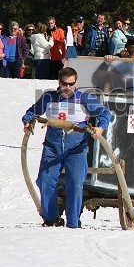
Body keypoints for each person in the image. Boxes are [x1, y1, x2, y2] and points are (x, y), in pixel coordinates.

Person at [22, 67, 111, 228]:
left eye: (71, 84)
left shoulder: (84, 99)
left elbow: (105, 113)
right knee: (45, 180)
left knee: (75, 182)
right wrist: (27, 121)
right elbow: (32, 112)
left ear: (76, 83)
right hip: (53, 147)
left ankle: (73, 222)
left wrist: (101, 127)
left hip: (76, 148)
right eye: (65, 84)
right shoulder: (49, 97)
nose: (68, 88)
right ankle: (51, 218)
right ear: (59, 82)